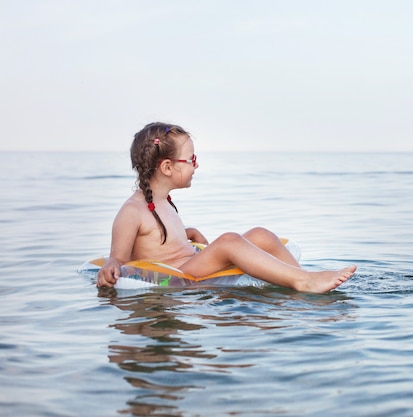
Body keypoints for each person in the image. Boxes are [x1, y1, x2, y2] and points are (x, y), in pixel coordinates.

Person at [97, 122, 356, 293]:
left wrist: (187, 233)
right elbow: (118, 258)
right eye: (191, 159)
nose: (196, 165)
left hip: (189, 260)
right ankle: (304, 283)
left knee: (260, 234)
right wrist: (111, 265)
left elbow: (154, 237)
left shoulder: (163, 201)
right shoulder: (131, 211)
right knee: (229, 241)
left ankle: (299, 275)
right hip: (181, 273)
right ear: (167, 167)